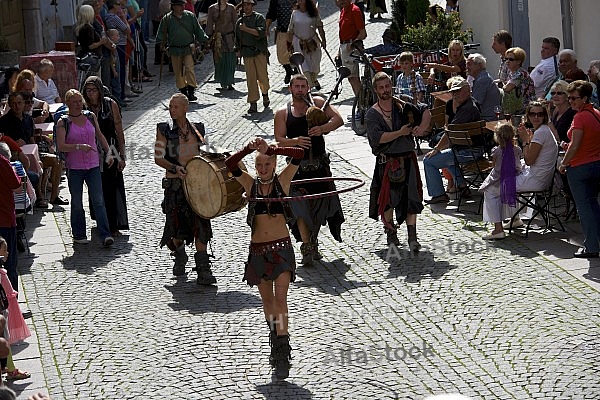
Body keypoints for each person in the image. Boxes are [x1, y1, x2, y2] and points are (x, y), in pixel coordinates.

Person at [224, 137, 304, 380]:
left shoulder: (283, 181)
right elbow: (230, 164)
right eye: (259, 165)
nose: (262, 169)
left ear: (275, 163)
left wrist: (273, 148)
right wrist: (248, 149)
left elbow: (299, 155)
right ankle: (275, 340)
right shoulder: (251, 185)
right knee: (267, 302)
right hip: (258, 251)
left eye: (267, 164)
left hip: (281, 249)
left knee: (281, 300)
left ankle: (282, 351)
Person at [274, 74, 345, 265]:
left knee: (320, 208)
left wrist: (323, 128)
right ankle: (306, 247)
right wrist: (295, 141)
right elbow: (279, 139)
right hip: (296, 169)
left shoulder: (318, 103)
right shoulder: (283, 112)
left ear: (308, 87)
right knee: (299, 208)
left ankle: (313, 241)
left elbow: (338, 120)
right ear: (290, 89)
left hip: (320, 167)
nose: (300, 90)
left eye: (303, 86)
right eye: (296, 86)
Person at [154, 93, 217, 284]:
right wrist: (175, 168)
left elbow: (202, 155)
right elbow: (158, 158)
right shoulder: (164, 130)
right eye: (170, 107)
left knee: (201, 225)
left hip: (197, 187)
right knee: (176, 230)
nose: (172, 110)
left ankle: (203, 270)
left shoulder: (197, 129)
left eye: (175, 107)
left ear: (185, 108)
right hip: (175, 186)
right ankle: (179, 253)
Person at [365, 72, 431, 249]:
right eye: (381, 87)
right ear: (375, 90)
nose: (385, 90)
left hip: (407, 159)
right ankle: (391, 234)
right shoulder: (372, 114)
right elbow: (377, 139)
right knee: (387, 201)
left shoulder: (403, 105)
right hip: (386, 162)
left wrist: (421, 128)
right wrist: (400, 133)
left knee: (411, 198)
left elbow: (425, 110)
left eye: (387, 86)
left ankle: (413, 238)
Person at [56, 89, 115, 247]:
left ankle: (105, 234)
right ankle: (79, 234)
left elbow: (99, 135)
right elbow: (61, 146)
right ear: (68, 103)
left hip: (93, 165)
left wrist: (109, 152)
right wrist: (78, 147)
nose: (77, 104)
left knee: (98, 200)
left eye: (78, 101)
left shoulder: (90, 116)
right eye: (73, 101)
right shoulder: (63, 122)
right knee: (77, 202)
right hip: (74, 168)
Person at [423, 77, 483, 204]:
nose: (455, 95)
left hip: (468, 152)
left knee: (428, 161)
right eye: (453, 92)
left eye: (458, 91)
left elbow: (449, 131)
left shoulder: (467, 109)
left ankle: (438, 195)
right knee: (447, 156)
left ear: (468, 90)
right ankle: (462, 186)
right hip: (471, 149)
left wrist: (436, 149)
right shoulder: (471, 103)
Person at [82, 76, 129, 237]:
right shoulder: (83, 107)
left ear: (100, 90)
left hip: (111, 149)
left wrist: (121, 156)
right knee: (96, 188)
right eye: (88, 90)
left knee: (110, 187)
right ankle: (100, 219)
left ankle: (113, 224)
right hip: (91, 152)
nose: (90, 94)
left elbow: (118, 131)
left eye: (93, 90)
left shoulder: (110, 104)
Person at [501, 101, 558, 231]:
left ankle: (499, 224)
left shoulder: (541, 132)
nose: (536, 117)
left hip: (538, 180)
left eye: (540, 114)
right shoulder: (542, 131)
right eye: (532, 114)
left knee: (500, 183)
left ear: (544, 116)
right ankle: (515, 218)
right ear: (528, 116)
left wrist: (526, 141)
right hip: (540, 177)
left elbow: (529, 161)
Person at [559, 80, 600, 258]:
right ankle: (596, 242)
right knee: (593, 206)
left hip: (580, 167)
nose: (571, 101)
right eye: (569, 98)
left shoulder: (580, 117)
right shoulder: (597, 113)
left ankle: (591, 247)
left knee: (584, 209)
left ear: (584, 98)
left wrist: (564, 163)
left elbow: (575, 145)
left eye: (574, 98)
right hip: (596, 165)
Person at [156, 0, 208, 101]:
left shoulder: (190, 16)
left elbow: (198, 29)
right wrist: (161, 44)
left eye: (183, 5)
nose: (182, 7)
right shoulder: (167, 19)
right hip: (175, 50)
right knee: (178, 72)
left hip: (187, 48)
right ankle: (183, 92)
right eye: (180, 5)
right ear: (174, 6)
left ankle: (191, 91)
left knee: (189, 69)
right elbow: (161, 33)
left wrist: (205, 39)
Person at [479, 124, 522, 240]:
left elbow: (494, 165)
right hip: (514, 179)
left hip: (500, 180)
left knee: (490, 193)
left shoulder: (496, 151)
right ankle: (516, 218)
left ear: (497, 137)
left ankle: (498, 228)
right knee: (512, 193)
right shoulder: (517, 149)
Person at [0, 238, 32, 382]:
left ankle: (9, 368)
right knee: (4, 341)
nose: (7, 253)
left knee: (5, 341)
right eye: (4, 250)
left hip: (4, 309)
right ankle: (10, 369)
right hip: (2, 310)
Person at [236, 0, 270, 114]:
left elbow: (260, 33)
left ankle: (265, 94)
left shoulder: (259, 18)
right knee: (251, 79)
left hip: (259, 51)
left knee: (262, 76)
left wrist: (245, 29)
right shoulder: (240, 22)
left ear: (252, 6)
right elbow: (237, 39)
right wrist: (238, 50)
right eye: (244, 5)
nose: (246, 7)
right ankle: (253, 102)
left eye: (249, 5)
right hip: (247, 52)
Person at [286, 0, 325, 91]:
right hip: (299, 44)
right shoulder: (295, 13)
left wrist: (323, 40)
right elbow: (290, 30)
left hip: (313, 44)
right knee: (304, 68)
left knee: (315, 67)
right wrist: (289, 43)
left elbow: (320, 26)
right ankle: (309, 89)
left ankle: (313, 80)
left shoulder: (314, 12)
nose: (300, 1)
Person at [0, 143, 21, 292]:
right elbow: (17, 187)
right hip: (4, 219)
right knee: (9, 264)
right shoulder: (2, 162)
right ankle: (13, 307)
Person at [336, 0, 366, 97]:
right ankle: (360, 101)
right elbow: (342, 34)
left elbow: (363, 33)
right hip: (344, 47)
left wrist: (353, 43)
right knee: (350, 77)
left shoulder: (355, 10)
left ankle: (361, 103)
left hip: (352, 48)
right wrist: (339, 52)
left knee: (353, 77)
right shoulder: (343, 10)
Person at [105, 0, 133, 104]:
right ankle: (121, 96)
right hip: (120, 44)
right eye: (118, 4)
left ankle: (120, 95)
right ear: (113, 6)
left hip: (116, 44)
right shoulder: (114, 17)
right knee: (120, 70)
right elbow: (127, 30)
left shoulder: (107, 17)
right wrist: (123, 18)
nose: (120, 7)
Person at [205, 0, 237, 90]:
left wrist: (238, 37)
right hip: (218, 38)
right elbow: (209, 24)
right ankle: (223, 81)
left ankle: (230, 81)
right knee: (220, 59)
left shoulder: (231, 8)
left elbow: (236, 23)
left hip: (230, 37)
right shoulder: (212, 9)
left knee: (230, 59)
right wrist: (208, 38)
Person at [266, 0, 296, 84]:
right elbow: (271, 13)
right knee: (282, 56)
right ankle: (288, 71)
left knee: (297, 52)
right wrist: (267, 27)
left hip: (296, 31)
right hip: (282, 30)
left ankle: (297, 71)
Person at [466, 53, 501, 121]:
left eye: (469, 64)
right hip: (486, 116)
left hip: (487, 119)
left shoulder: (482, 80)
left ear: (479, 66)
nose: (467, 67)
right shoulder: (482, 77)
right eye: (466, 64)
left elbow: (475, 103)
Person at [501, 47, 535, 116]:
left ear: (519, 61)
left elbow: (507, 89)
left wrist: (502, 85)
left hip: (524, 110)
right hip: (516, 108)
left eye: (511, 59)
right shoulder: (512, 73)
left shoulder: (520, 73)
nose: (507, 61)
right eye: (506, 59)